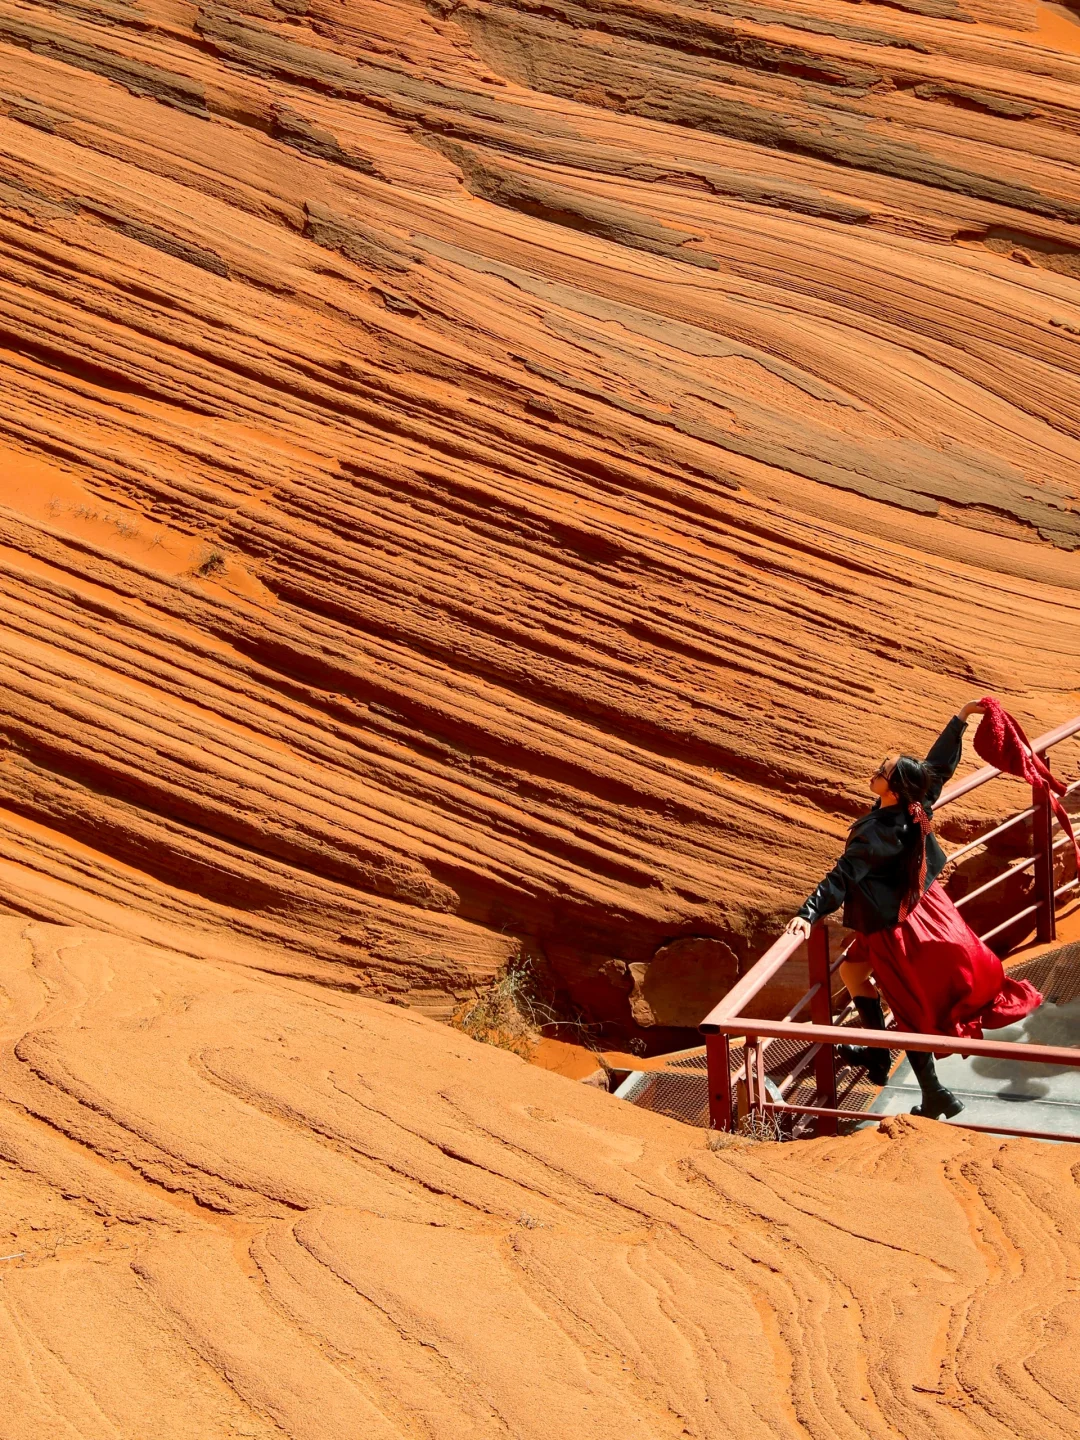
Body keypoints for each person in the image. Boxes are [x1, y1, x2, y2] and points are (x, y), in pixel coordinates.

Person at [784, 701, 1043, 1120]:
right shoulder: (916, 803)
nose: (875, 771)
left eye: (882, 770)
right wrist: (960, 718)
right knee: (852, 972)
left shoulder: (879, 832)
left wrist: (808, 912)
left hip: (897, 927)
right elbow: (937, 768)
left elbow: (844, 875)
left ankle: (935, 1093)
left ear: (891, 787)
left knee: (909, 1007)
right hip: (919, 909)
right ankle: (877, 1055)